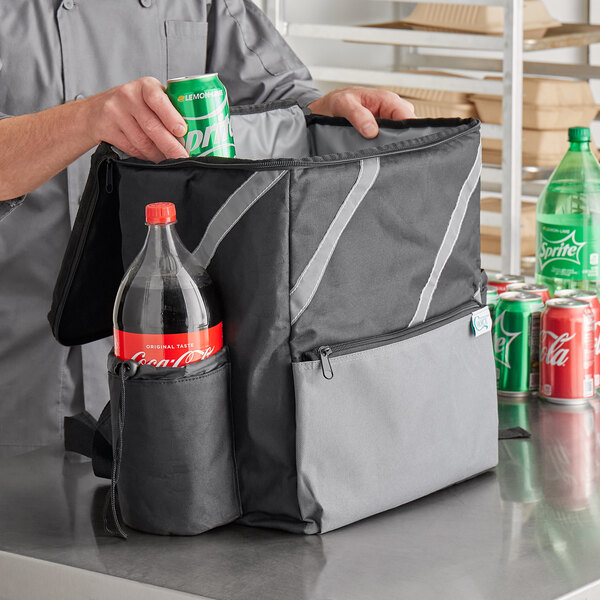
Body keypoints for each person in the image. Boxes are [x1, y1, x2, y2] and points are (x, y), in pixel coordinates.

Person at [0, 0, 414, 458]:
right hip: (16, 371)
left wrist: (322, 113)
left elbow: (276, 102)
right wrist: (84, 119)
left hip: (178, 368)